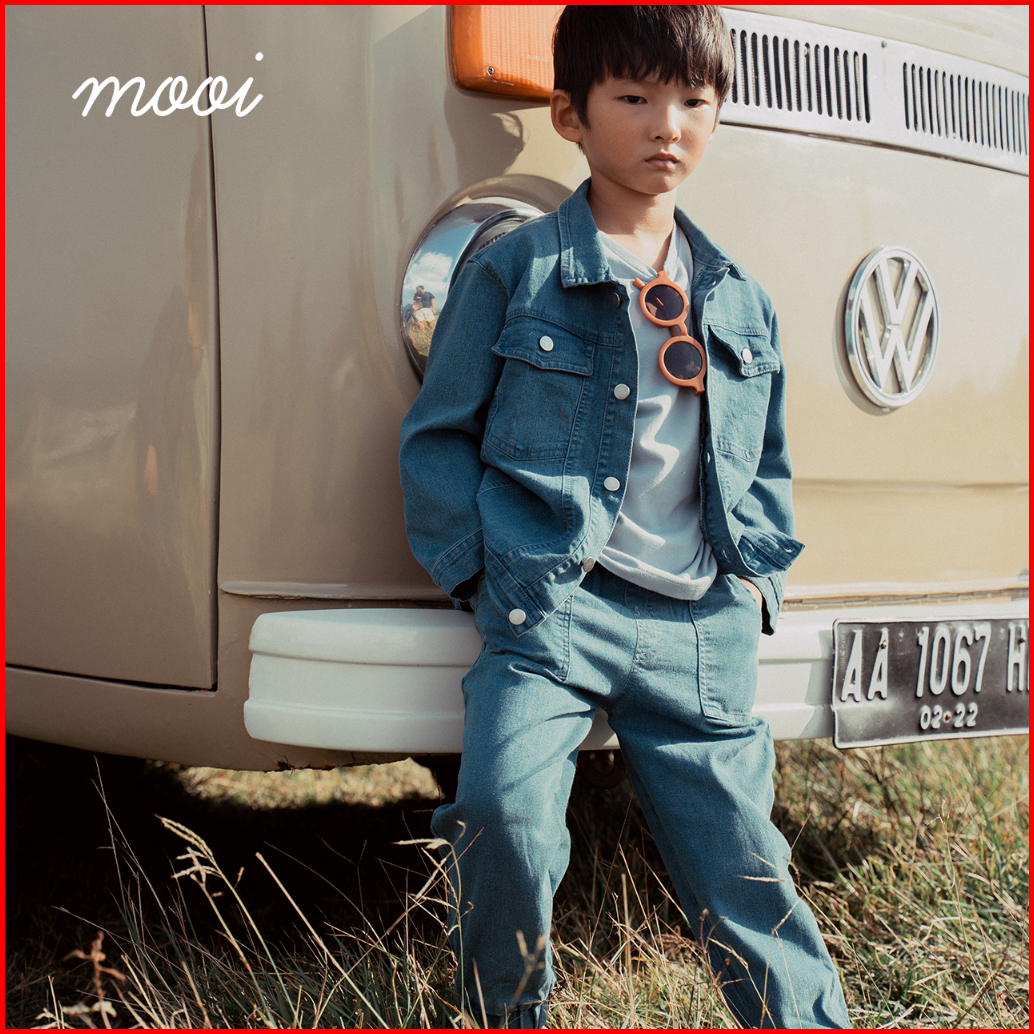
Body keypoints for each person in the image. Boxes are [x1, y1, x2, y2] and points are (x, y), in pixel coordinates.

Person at [398, 6, 849, 1028]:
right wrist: (481, 573)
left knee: (745, 867)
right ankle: (504, 1012)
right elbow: (437, 435)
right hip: (553, 606)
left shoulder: (739, 298)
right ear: (572, 115)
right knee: (502, 816)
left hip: (697, 624)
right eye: (635, 97)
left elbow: (763, 459)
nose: (666, 125)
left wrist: (754, 583)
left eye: (693, 99)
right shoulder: (517, 269)